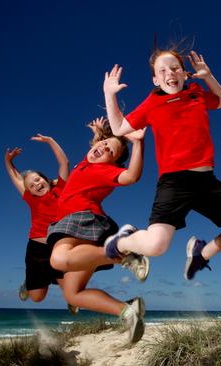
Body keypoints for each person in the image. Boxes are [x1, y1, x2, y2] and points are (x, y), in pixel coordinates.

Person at [102, 48, 221, 280]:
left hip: (207, 182)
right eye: (163, 70)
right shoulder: (152, 103)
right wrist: (109, 94)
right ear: (156, 79)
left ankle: (202, 253)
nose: (170, 73)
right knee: (157, 246)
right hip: (175, 182)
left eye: (175, 68)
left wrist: (207, 76)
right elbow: (118, 128)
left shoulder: (196, 93)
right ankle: (124, 241)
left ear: (185, 74)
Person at [47, 118, 149, 343]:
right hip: (81, 224)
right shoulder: (88, 161)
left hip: (81, 219)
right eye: (101, 145)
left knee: (58, 259)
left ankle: (122, 251)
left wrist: (138, 144)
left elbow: (131, 176)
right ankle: (127, 311)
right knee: (72, 294)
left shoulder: (104, 170)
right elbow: (98, 146)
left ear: (113, 161)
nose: (101, 148)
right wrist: (99, 134)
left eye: (109, 150)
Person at [4, 134, 70, 305]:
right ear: (30, 192)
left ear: (45, 178)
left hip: (58, 246)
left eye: (37, 180)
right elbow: (16, 178)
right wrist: (8, 161)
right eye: (32, 186)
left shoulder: (61, 189)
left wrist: (50, 141)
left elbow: (64, 163)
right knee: (37, 298)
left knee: (69, 287)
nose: (37, 185)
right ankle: (28, 283)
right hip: (37, 250)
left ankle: (73, 299)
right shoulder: (32, 199)